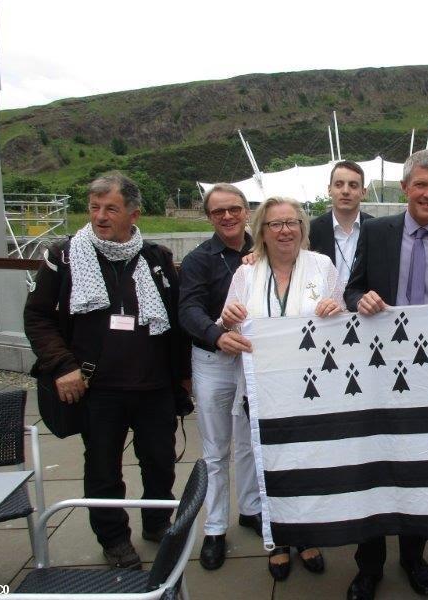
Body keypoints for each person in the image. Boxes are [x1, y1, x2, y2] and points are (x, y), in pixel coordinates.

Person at [24, 172, 189, 570]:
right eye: (94, 207)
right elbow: (38, 316)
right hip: (97, 388)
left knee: (160, 461)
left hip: (153, 387)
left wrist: (182, 376)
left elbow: (178, 321)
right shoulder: (64, 256)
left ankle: (157, 522)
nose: (100, 216)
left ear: (133, 213)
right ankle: (114, 539)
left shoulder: (157, 259)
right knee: (102, 468)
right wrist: (62, 366)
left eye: (110, 208)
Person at [343, 149, 428, 600]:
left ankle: (414, 556)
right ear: (404, 188)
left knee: (421, 468)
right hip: (379, 369)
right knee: (375, 465)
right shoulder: (377, 232)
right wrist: (359, 299)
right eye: (421, 184)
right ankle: (369, 567)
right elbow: (352, 286)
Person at [220, 196, 344, 582]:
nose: (285, 230)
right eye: (275, 224)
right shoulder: (246, 274)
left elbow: (342, 320)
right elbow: (229, 325)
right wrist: (228, 322)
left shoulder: (322, 266)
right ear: (262, 231)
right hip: (263, 390)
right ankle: (277, 542)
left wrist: (333, 309)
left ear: (302, 229)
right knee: (268, 468)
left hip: (311, 390)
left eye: (292, 222)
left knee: (308, 465)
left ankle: (306, 536)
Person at [178, 183, 263, 570]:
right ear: (209, 217)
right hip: (214, 359)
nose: (227, 217)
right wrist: (216, 334)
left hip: (254, 357)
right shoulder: (199, 259)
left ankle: (250, 507)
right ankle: (214, 527)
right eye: (218, 212)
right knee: (215, 448)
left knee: (249, 441)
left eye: (234, 209)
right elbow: (188, 309)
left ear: (246, 211)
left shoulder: (261, 251)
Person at [309, 160, 374, 287]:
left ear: (363, 192)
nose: (345, 191)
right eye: (339, 184)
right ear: (329, 189)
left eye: (353, 185)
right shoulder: (310, 231)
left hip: (364, 304)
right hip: (324, 304)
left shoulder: (377, 230)